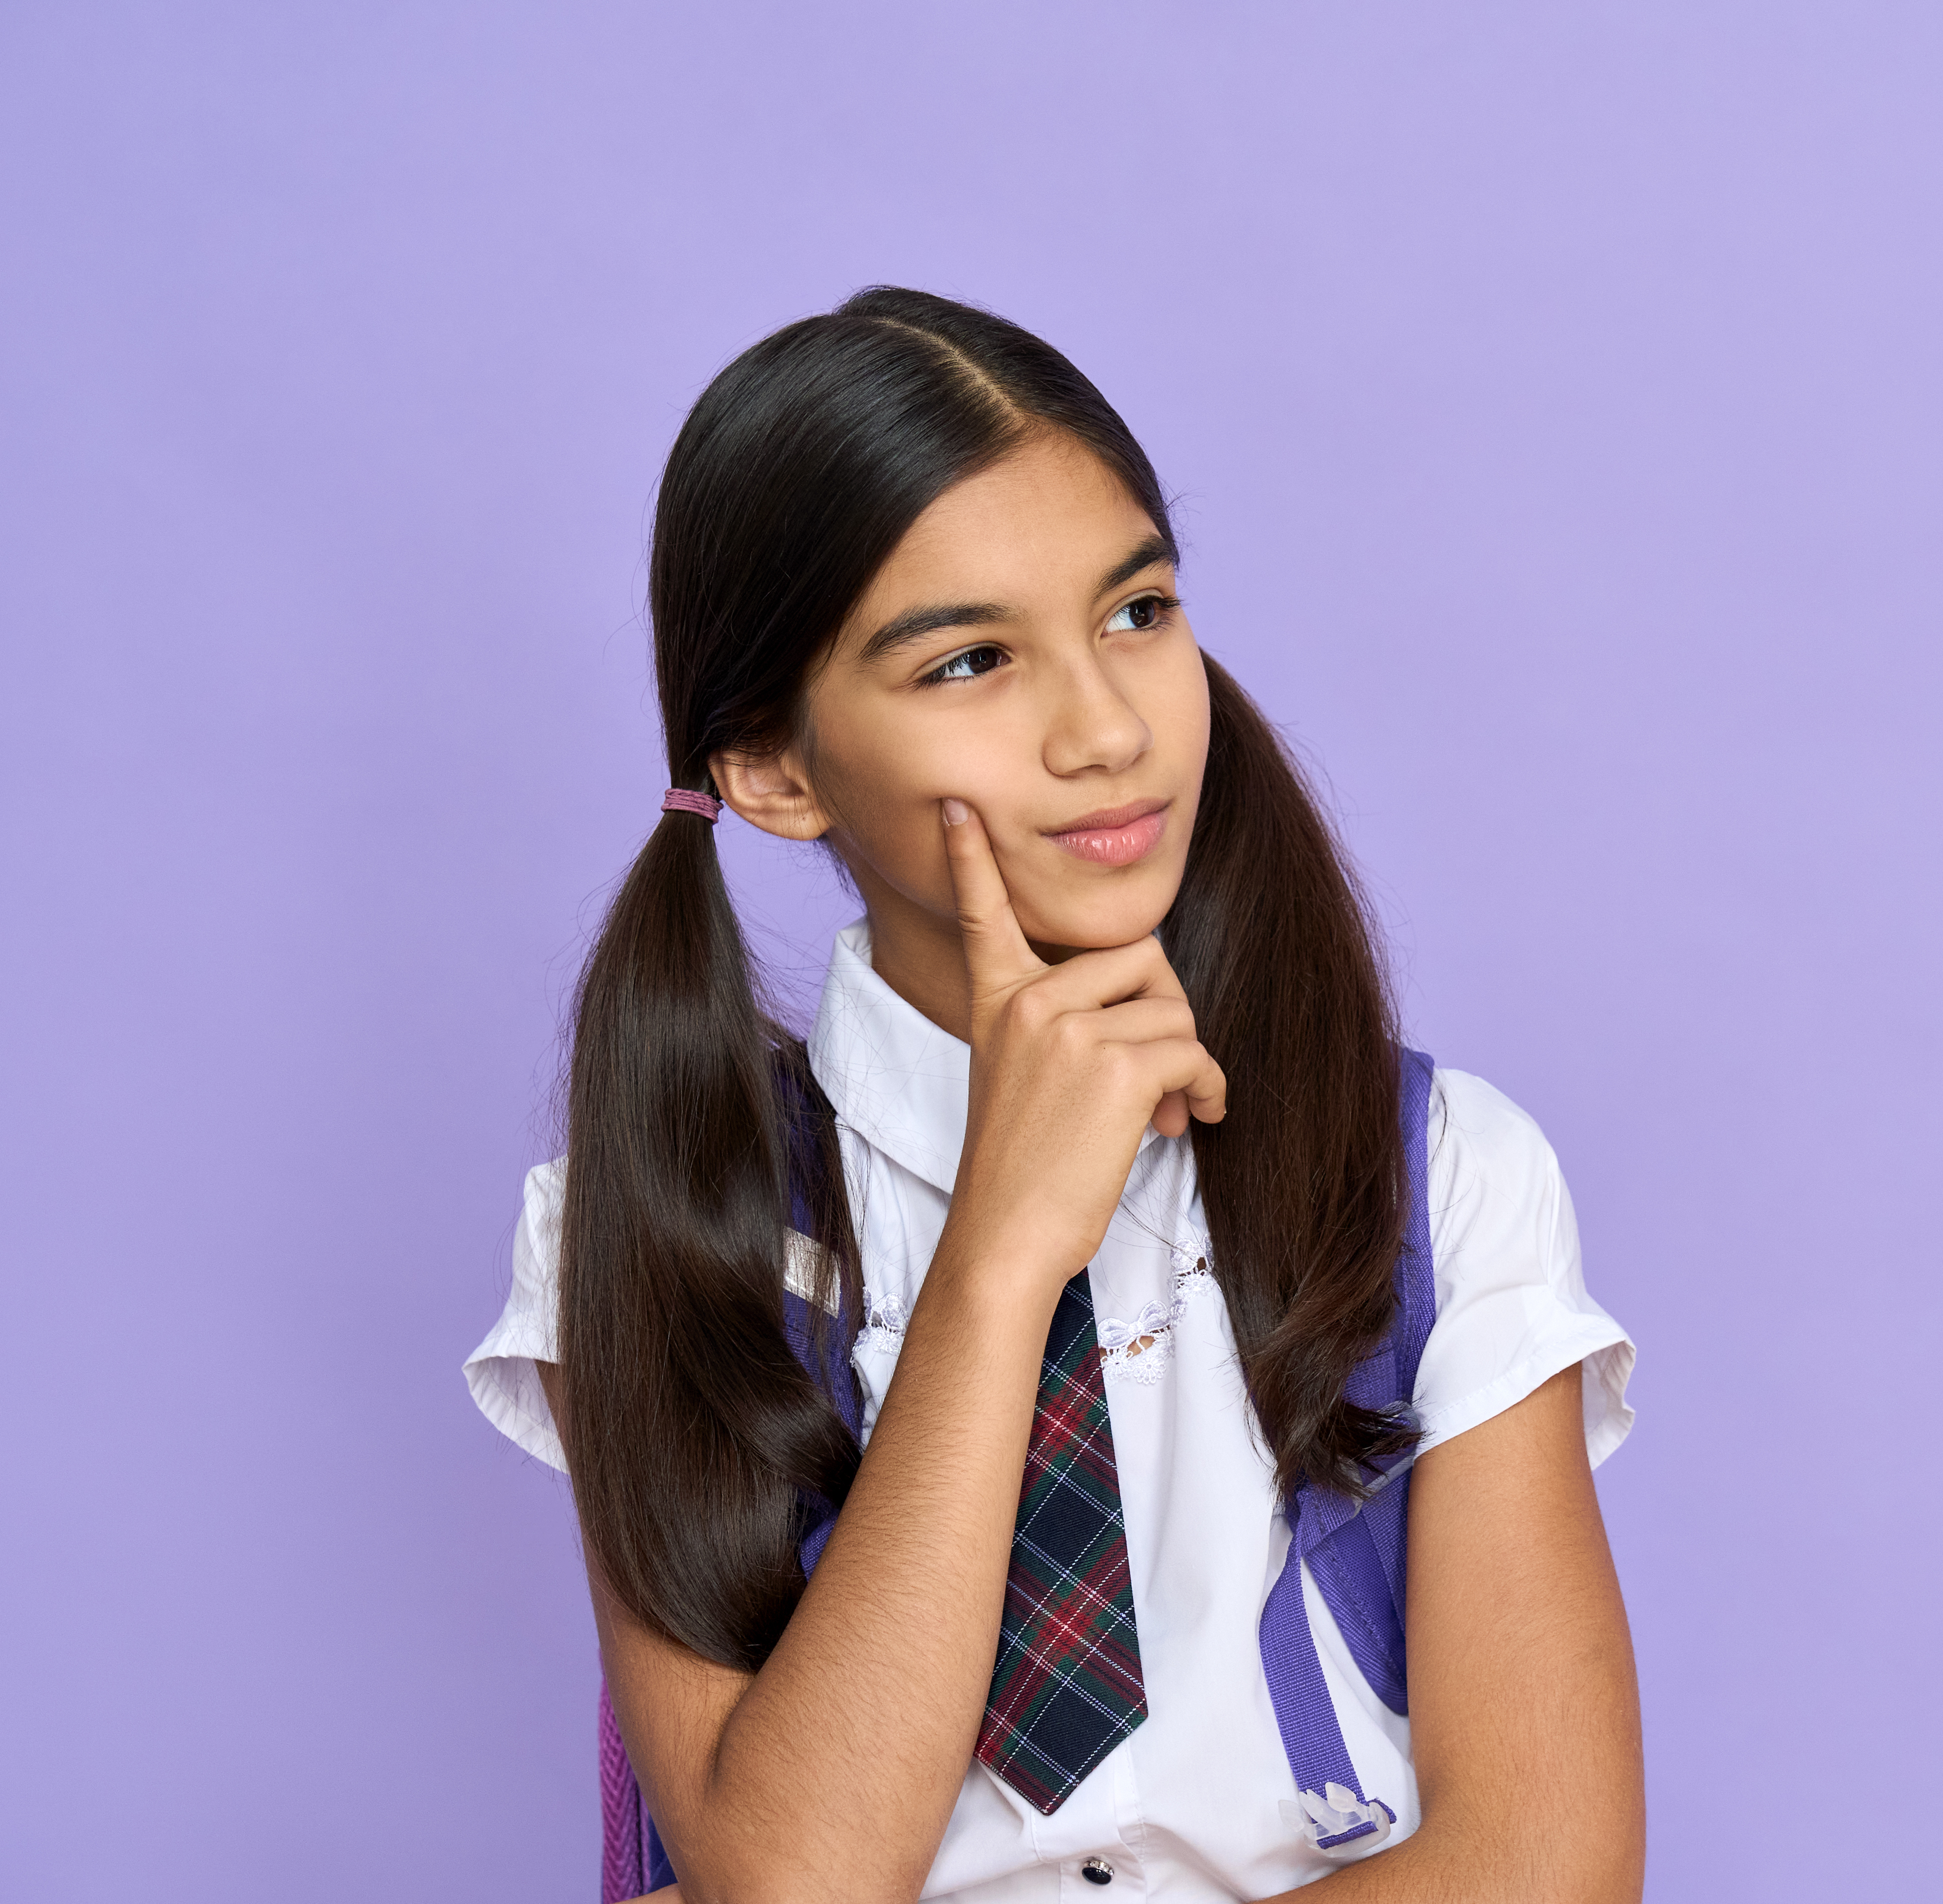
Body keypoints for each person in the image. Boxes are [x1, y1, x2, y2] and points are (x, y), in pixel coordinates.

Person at [464, 287, 1644, 1902]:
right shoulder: (657, 1237)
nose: (1105, 728)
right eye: (970, 661)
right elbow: (795, 1878)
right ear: (773, 770)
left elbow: (1546, 1872)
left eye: (1137, 612)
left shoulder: (1431, 1175)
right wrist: (1002, 1259)